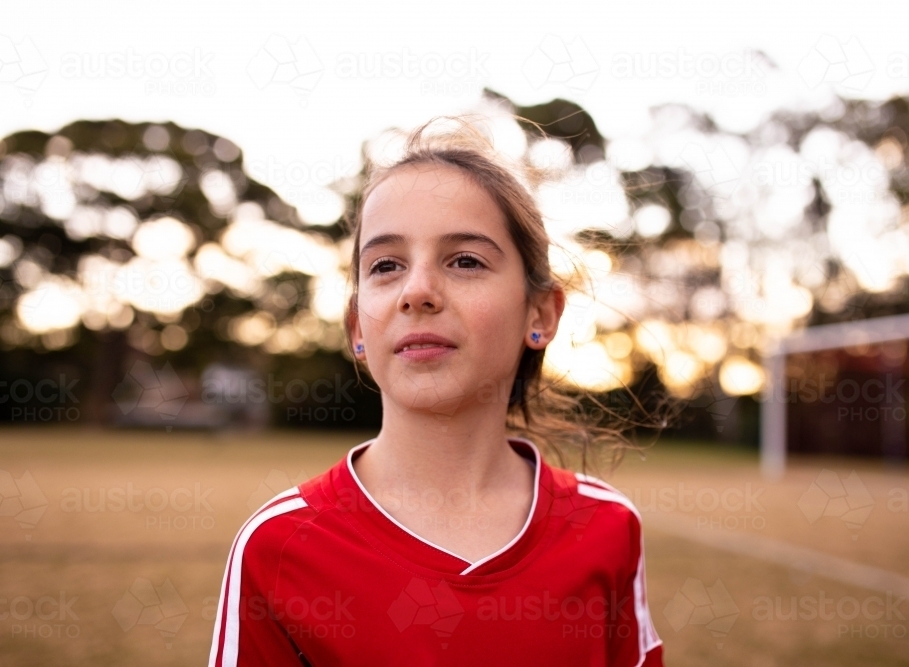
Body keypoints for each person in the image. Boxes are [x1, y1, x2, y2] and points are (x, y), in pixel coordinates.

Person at [208, 114, 666, 666]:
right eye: (385, 265)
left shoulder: (608, 527)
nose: (417, 290)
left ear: (540, 312)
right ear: (357, 327)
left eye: (465, 260)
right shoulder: (278, 546)